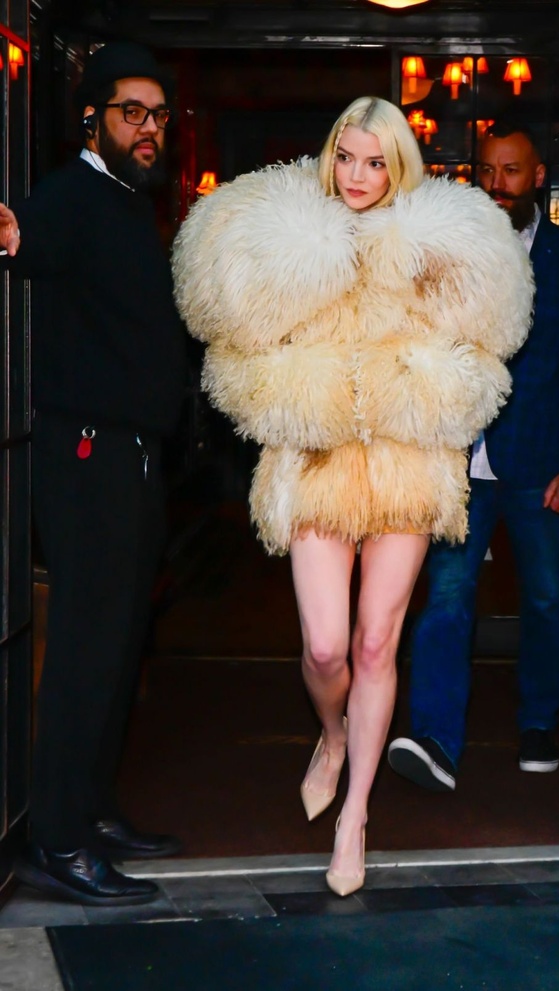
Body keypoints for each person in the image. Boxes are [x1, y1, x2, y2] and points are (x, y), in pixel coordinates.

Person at [172, 97, 533, 895]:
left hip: (406, 462)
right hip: (318, 456)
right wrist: (307, 396)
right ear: (328, 155)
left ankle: (355, 815)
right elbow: (233, 352)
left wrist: (417, 391)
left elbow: (485, 353)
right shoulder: (286, 238)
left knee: (376, 645)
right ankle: (332, 735)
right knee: (326, 648)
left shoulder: (438, 242)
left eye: (376, 161)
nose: (358, 175)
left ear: (398, 165)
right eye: (346, 156)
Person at [0, 42, 187, 906]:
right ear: (92, 119)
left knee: (118, 642)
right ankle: (58, 839)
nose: (148, 129)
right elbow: (26, 239)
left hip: (131, 453)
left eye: (158, 115)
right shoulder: (71, 196)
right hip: (86, 452)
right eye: (130, 113)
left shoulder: (126, 200)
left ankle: (93, 809)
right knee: (83, 647)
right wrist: (13, 233)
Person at [387, 123, 559, 792]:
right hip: (458, 462)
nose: (497, 183)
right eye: (487, 170)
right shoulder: (446, 257)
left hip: (543, 461)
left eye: (511, 170)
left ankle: (538, 722)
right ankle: (436, 738)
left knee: (547, 599)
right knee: (446, 597)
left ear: (537, 177)